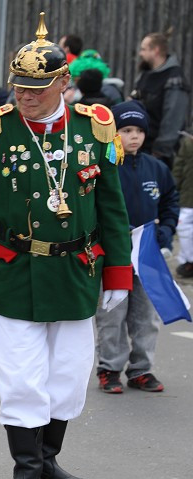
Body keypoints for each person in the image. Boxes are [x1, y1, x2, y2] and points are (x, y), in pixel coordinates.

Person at [0, 14, 132, 479]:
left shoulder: (94, 129)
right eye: (20, 87)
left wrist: (120, 270)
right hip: (14, 271)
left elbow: (113, 207)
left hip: (75, 272)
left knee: (69, 376)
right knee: (21, 377)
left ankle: (49, 459)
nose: (25, 96)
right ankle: (26, 471)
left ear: (63, 83)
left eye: (37, 88)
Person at [95, 101, 179, 394]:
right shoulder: (105, 167)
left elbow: (170, 200)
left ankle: (141, 369)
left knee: (145, 315)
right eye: (126, 130)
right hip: (113, 252)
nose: (134, 137)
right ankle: (109, 368)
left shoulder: (156, 168)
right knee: (112, 314)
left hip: (146, 253)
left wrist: (165, 230)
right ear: (113, 132)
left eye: (139, 131)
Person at [131, 32, 190, 166]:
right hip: (140, 145)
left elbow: (173, 117)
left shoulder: (174, 78)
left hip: (158, 152)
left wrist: (160, 151)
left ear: (156, 50)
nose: (140, 53)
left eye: (144, 49)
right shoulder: (145, 75)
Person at [173, 133, 193, 279]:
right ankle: (189, 260)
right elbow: (179, 167)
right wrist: (174, 189)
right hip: (188, 195)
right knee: (183, 225)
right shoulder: (188, 142)